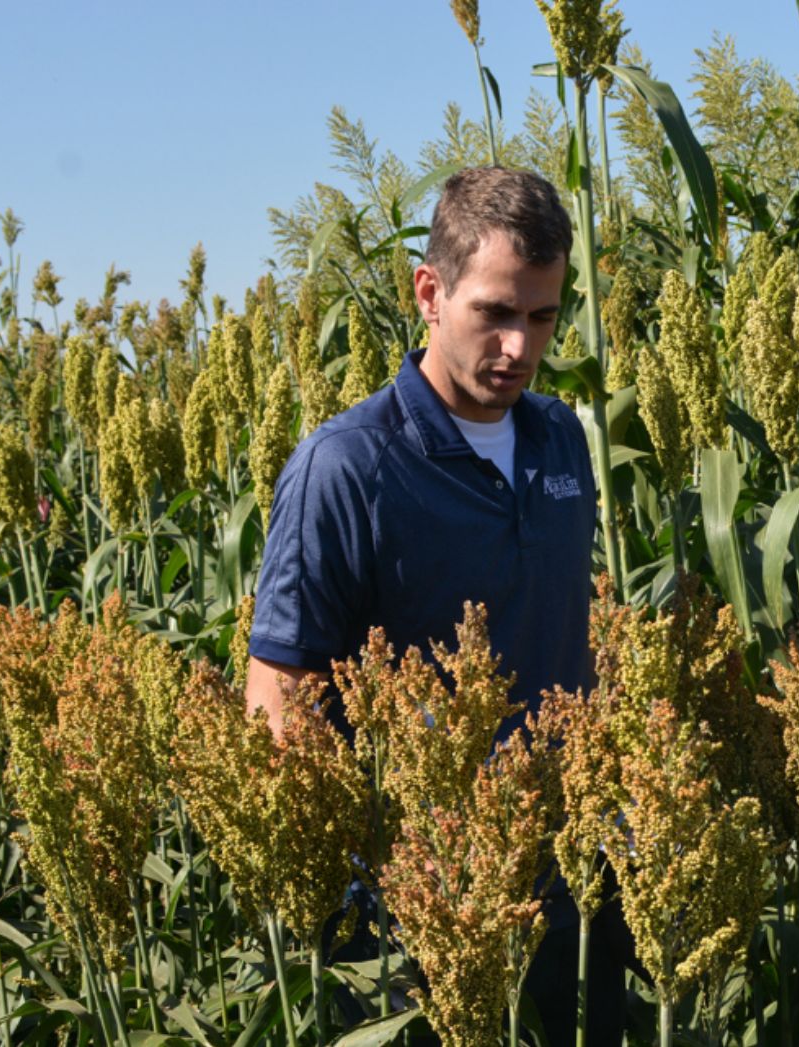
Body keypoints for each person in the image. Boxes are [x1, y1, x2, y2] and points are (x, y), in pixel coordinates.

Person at [245, 166, 624, 1044]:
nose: (520, 349)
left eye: (541, 318)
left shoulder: (561, 438)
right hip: (420, 922)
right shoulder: (346, 468)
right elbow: (279, 702)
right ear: (430, 292)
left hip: (568, 882)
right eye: (495, 313)